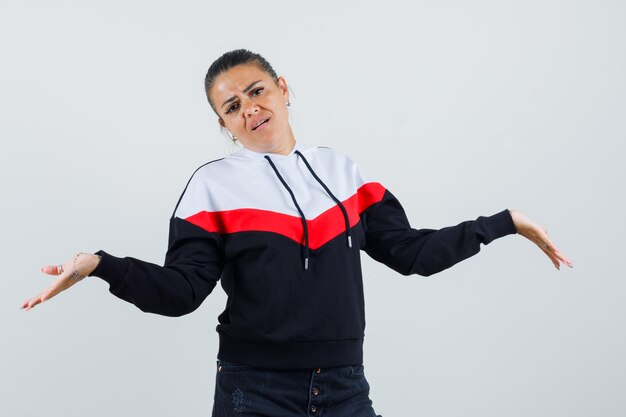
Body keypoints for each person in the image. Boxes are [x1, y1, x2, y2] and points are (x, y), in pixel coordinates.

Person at [21, 49, 573, 417]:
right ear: (224, 123)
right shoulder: (212, 187)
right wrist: (100, 264)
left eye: (257, 91)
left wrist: (505, 224)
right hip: (253, 390)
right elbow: (182, 292)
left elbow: (412, 253)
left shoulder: (345, 174)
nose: (249, 108)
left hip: (346, 386)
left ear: (283, 89)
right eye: (231, 106)